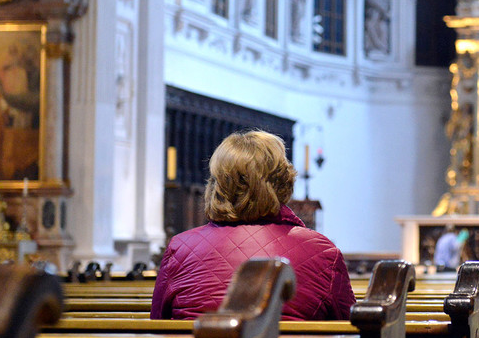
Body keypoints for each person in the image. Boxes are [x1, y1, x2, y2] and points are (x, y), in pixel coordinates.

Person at [151, 131, 356, 321]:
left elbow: (157, 328)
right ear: (284, 183)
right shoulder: (322, 251)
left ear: (216, 185)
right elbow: (349, 331)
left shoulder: (180, 247)